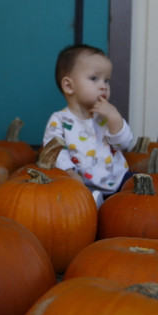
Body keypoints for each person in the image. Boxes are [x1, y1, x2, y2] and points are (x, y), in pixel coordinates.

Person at [42, 44, 134, 207]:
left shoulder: (106, 116)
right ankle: (95, 205)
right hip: (82, 185)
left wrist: (114, 118)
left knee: (137, 184)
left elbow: (124, 144)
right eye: (94, 78)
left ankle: (119, 205)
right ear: (69, 86)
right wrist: (69, 172)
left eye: (106, 80)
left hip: (118, 180)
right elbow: (55, 150)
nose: (103, 86)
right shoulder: (60, 119)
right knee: (75, 200)